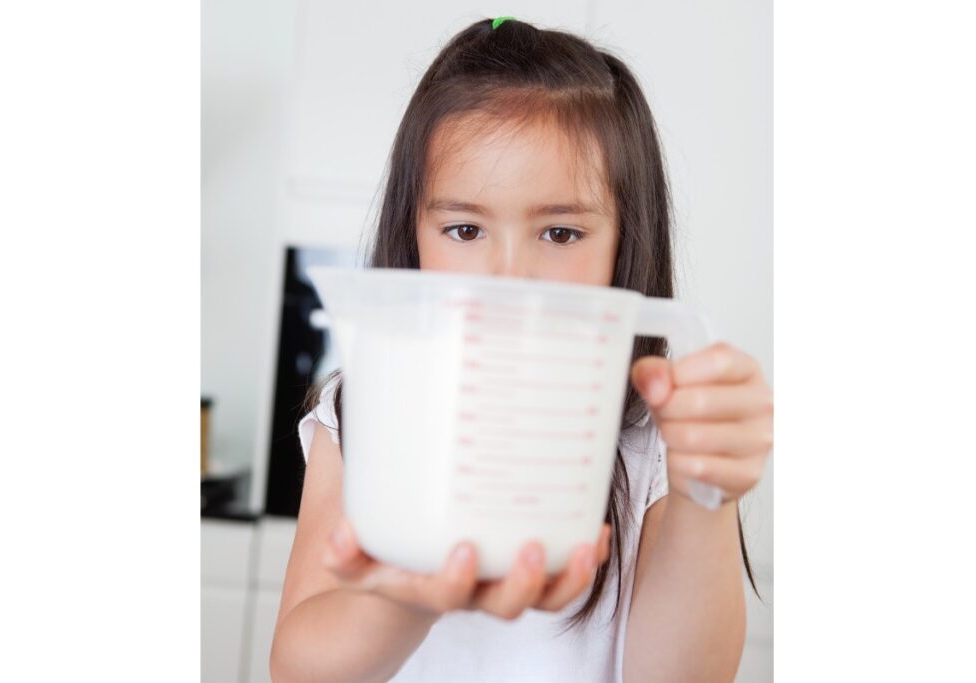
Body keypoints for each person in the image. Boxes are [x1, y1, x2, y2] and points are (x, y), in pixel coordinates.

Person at [270, 16, 772, 683]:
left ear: (624, 243)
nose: (508, 279)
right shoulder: (362, 412)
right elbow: (298, 669)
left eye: (560, 233)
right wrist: (408, 597)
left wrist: (707, 494)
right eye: (465, 229)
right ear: (413, 234)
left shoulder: (654, 440)